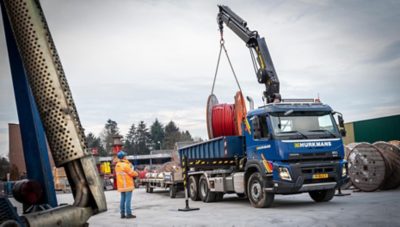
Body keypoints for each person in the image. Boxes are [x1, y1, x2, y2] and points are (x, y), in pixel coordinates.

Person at [115, 151, 138, 219]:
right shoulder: (125, 165)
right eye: (125, 155)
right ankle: (128, 214)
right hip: (127, 185)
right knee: (128, 200)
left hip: (121, 186)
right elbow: (132, 173)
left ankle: (122, 214)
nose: (126, 156)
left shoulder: (117, 165)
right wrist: (136, 173)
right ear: (123, 157)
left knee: (122, 199)